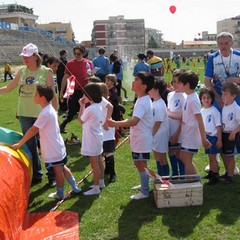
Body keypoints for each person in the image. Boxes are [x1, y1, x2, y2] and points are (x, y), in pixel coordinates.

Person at [0, 43, 57, 187]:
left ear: (35, 56)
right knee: (30, 145)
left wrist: (55, 112)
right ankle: (37, 174)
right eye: (23, 56)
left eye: (27, 56)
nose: (25, 59)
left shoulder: (46, 72)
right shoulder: (22, 71)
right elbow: (8, 88)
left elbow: (52, 93)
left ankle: (52, 176)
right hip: (24, 113)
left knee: (46, 145)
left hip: (42, 114)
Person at [11, 85, 81, 199]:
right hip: (58, 146)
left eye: (36, 95)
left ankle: (60, 193)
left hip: (53, 148)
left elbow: (34, 129)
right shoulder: (50, 108)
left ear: (42, 98)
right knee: (62, 167)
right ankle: (75, 186)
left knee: (58, 171)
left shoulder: (45, 113)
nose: (34, 97)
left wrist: (20, 143)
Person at [108, 72, 154, 200]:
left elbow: (134, 121)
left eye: (137, 80)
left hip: (142, 138)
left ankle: (144, 191)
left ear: (144, 86)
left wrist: (114, 123)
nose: (133, 81)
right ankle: (144, 184)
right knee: (139, 163)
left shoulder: (143, 101)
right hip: (139, 137)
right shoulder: (141, 99)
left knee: (140, 164)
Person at [178, 70, 211, 175]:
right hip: (187, 133)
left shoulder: (193, 100)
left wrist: (204, 139)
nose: (178, 85)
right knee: (183, 157)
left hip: (192, 135)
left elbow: (200, 121)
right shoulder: (189, 97)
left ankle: (192, 183)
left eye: (180, 83)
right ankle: (194, 181)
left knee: (186, 160)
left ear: (187, 85)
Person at [78, 83, 104, 196]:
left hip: (92, 138)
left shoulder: (90, 109)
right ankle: (101, 182)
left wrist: (81, 105)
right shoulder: (98, 106)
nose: (83, 96)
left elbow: (80, 120)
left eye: (85, 94)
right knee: (99, 161)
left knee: (95, 165)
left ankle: (96, 187)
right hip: (98, 136)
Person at [59, 44, 93, 133]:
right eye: (75, 54)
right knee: (72, 112)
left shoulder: (88, 63)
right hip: (74, 91)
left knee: (88, 111)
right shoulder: (70, 63)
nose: (77, 56)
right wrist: (61, 92)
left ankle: (88, 130)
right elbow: (64, 78)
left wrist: (91, 77)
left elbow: (92, 77)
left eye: (79, 54)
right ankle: (62, 126)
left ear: (83, 53)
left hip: (86, 91)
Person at [204, 32, 240, 111]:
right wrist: (217, 97)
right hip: (219, 93)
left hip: (236, 93)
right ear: (217, 44)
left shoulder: (238, 56)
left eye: (226, 43)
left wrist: (233, 80)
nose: (223, 46)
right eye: (220, 43)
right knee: (218, 119)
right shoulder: (212, 58)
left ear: (232, 43)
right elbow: (207, 81)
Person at [199, 88, 222, 184]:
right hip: (206, 137)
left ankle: (216, 175)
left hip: (213, 137)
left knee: (213, 157)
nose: (206, 100)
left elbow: (218, 126)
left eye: (208, 97)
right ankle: (211, 173)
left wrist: (219, 139)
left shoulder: (214, 111)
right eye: (204, 97)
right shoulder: (202, 111)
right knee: (209, 156)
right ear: (201, 99)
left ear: (212, 99)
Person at [148, 79, 170, 176]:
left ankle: (165, 178)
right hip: (155, 134)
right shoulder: (153, 103)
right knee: (157, 156)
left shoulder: (160, 104)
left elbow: (158, 122)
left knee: (162, 157)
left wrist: (150, 135)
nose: (148, 90)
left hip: (160, 134)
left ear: (156, 90)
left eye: (150, 88)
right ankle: (160, 176)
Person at [167, 69, 186, 177]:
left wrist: (176, 134)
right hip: (170, 129)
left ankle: (182, 175)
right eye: (174, 81)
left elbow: (184, 118)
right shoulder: (170, 95)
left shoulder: (184, 97)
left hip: (179, 132)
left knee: (179, 154)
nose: (175, 84)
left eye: (178, 82)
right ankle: (174, 173)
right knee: (171, 152)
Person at [220, 82, 240, 184]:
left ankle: (231, 175)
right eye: (222, 93)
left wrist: (234, 132)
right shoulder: (225, 105)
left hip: (231, 135)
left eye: (226, 94)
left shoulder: (236, 108)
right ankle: (227, 171)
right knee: (223, 153)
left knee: (230, 155)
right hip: (223, 133)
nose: (223, 96)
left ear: (233, 96)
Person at [99, 82, 117, 183]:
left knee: (108, 151)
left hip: (107, 129)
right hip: (102, 129)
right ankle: (107, 169)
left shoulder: (102, 100)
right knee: (104, 150)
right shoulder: (97, 101)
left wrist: (107, 121)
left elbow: (110, 107)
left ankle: (112, 173)